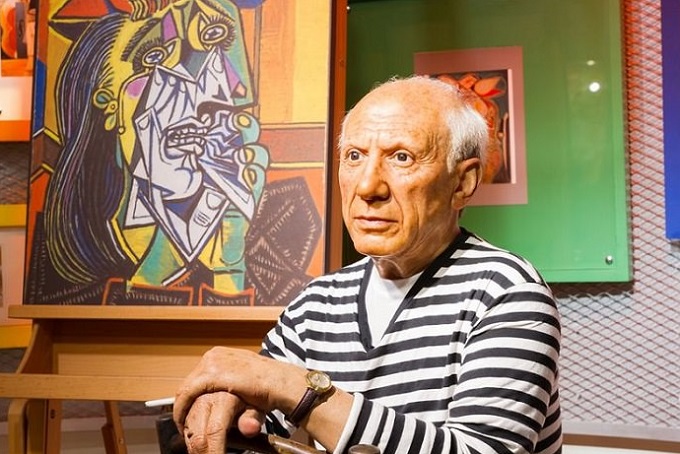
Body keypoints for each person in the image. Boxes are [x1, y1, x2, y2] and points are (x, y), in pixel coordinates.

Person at [173, 75, 562, 454]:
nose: (366, 187)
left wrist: (297, 388)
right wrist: (223, 409)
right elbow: (255, 424)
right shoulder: (318, 302)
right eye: (354, 156)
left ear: (462, 183)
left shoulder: (507, 292)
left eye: (401, 157)